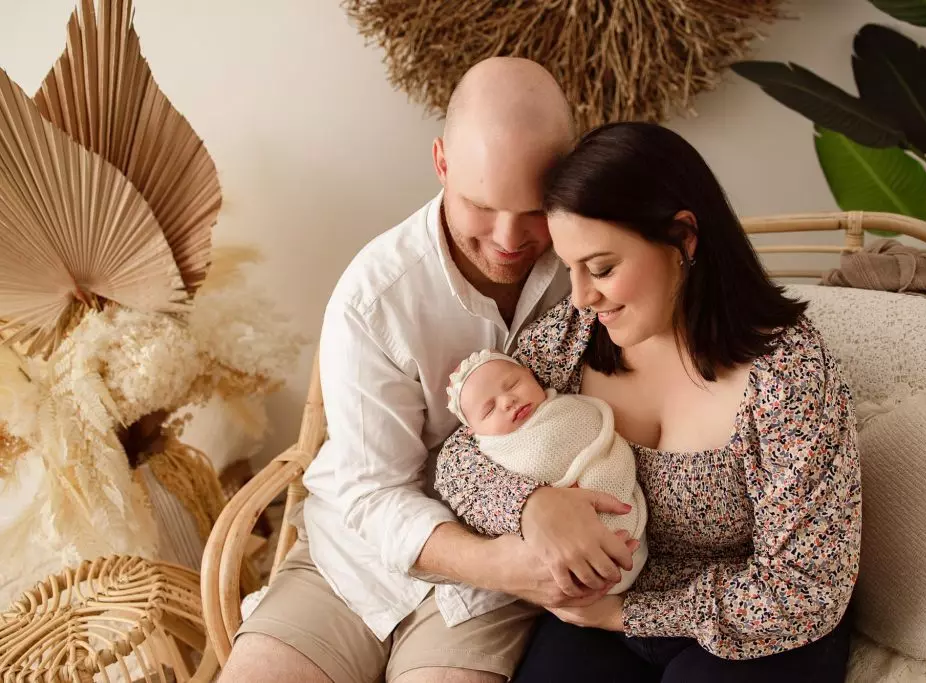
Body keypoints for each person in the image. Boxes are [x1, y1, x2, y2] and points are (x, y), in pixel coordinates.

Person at [219, 58, 639, 683]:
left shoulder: (593, 269)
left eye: (532, 209)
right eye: (481, 204)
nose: (509, 238)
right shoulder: (375, 296)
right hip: (350, 562)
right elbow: (371, 491)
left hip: (491, 600)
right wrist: (506, 560)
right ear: (441, 162)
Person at [436, 122, 862, 682]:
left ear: (684, 238)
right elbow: (459, 460)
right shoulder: (574, 338)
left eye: (603, 268)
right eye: (570, 268)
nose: (583, 296)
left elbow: (808, 588)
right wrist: (532, 504)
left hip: (756, 629)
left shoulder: (789, 375)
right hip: (602, 612)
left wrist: (622, 613)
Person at [446, 348, 648, 593]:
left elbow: (599, 439)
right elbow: (536, 462)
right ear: (473, 433)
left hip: (625, 529)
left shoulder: (566, 407)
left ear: (532, 375)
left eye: (513, 384)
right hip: (551, 565)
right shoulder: (492, 450)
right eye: (489, 410)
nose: (508, 401)